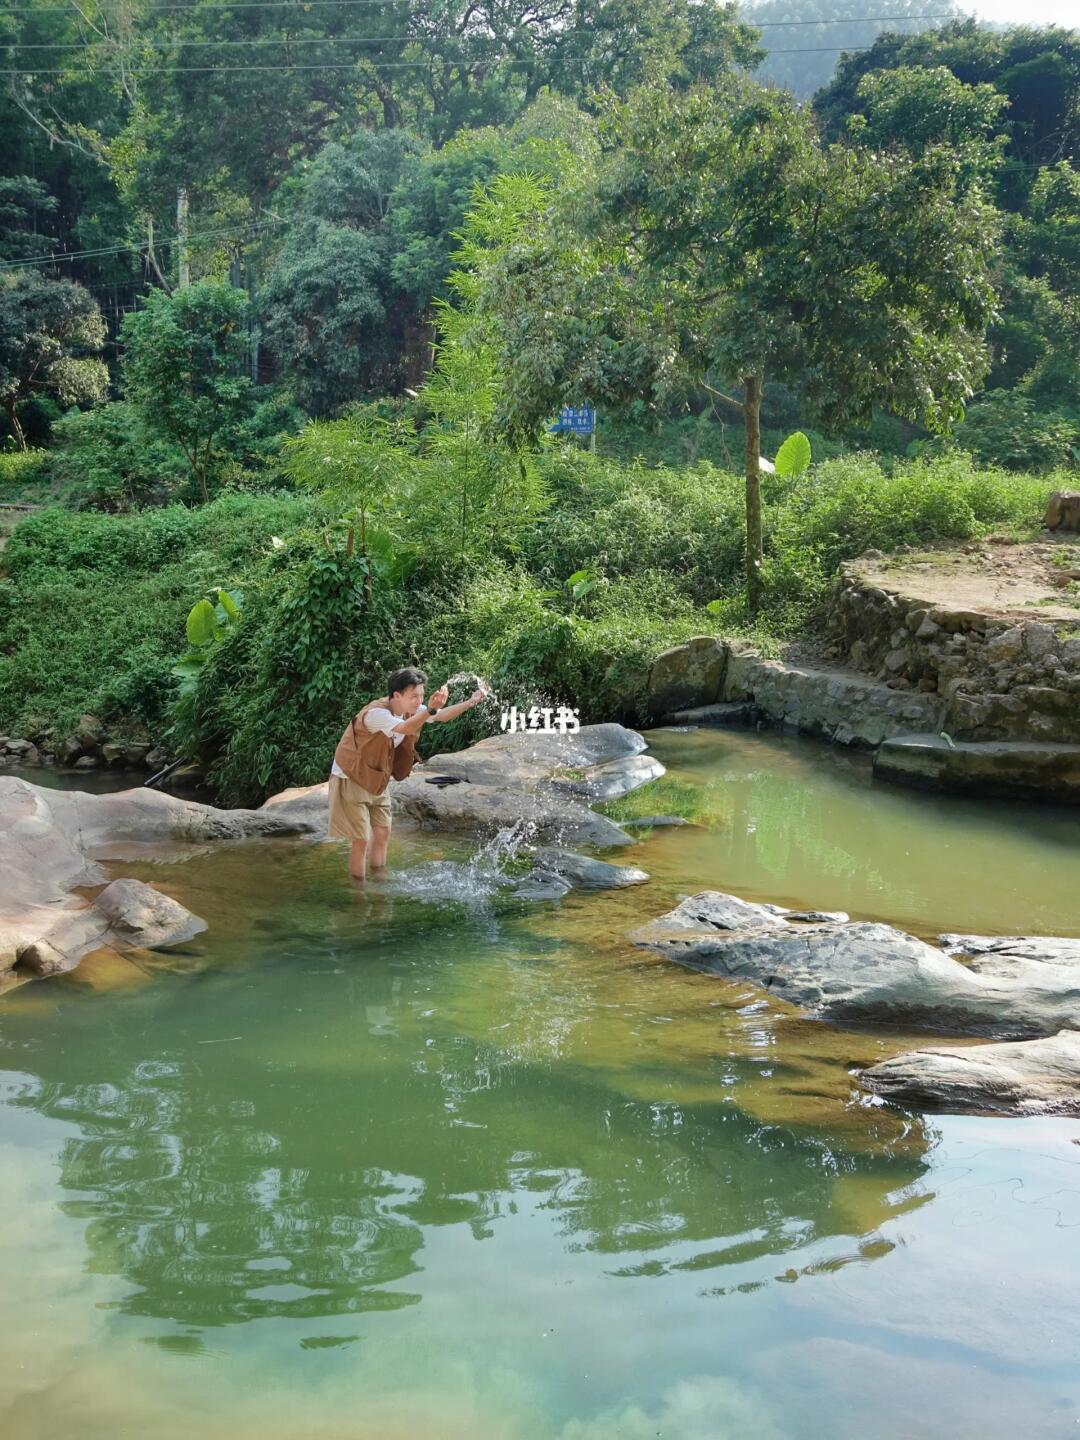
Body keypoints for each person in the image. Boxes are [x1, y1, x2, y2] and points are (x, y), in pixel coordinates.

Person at [329, 666, 487, 880]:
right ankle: (359, 892)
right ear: (397, 695)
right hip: (351, 777)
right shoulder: (376, 714)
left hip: (376, 777)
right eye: (414, 696)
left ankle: (379, 883)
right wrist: (429, 710)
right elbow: (405, 728)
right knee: (361, 839)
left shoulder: (410, 708)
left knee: (383, 831)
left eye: (421, 696)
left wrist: (471, 701)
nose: (418, 701)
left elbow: (441, 716)